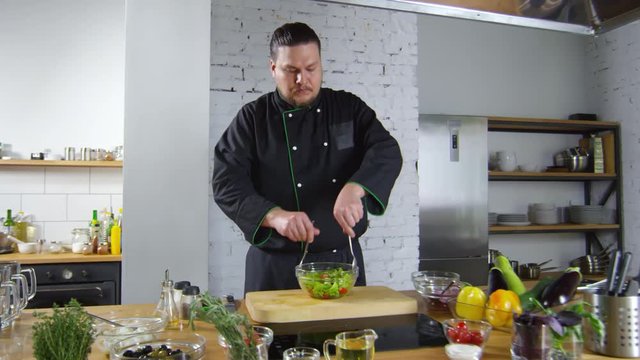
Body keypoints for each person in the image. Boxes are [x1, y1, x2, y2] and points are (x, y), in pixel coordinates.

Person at [212, 22, 402, 294]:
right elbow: (226, 183)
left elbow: (386, 150)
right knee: (273, 338)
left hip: (340, 262)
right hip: (274, 269)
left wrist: (355, 188)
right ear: (273, 68)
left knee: (347, 337)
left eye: (311, 68)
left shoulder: (347, 108)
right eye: (291, 71)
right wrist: (275, 217)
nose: (302, 80)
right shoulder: (252, 119)